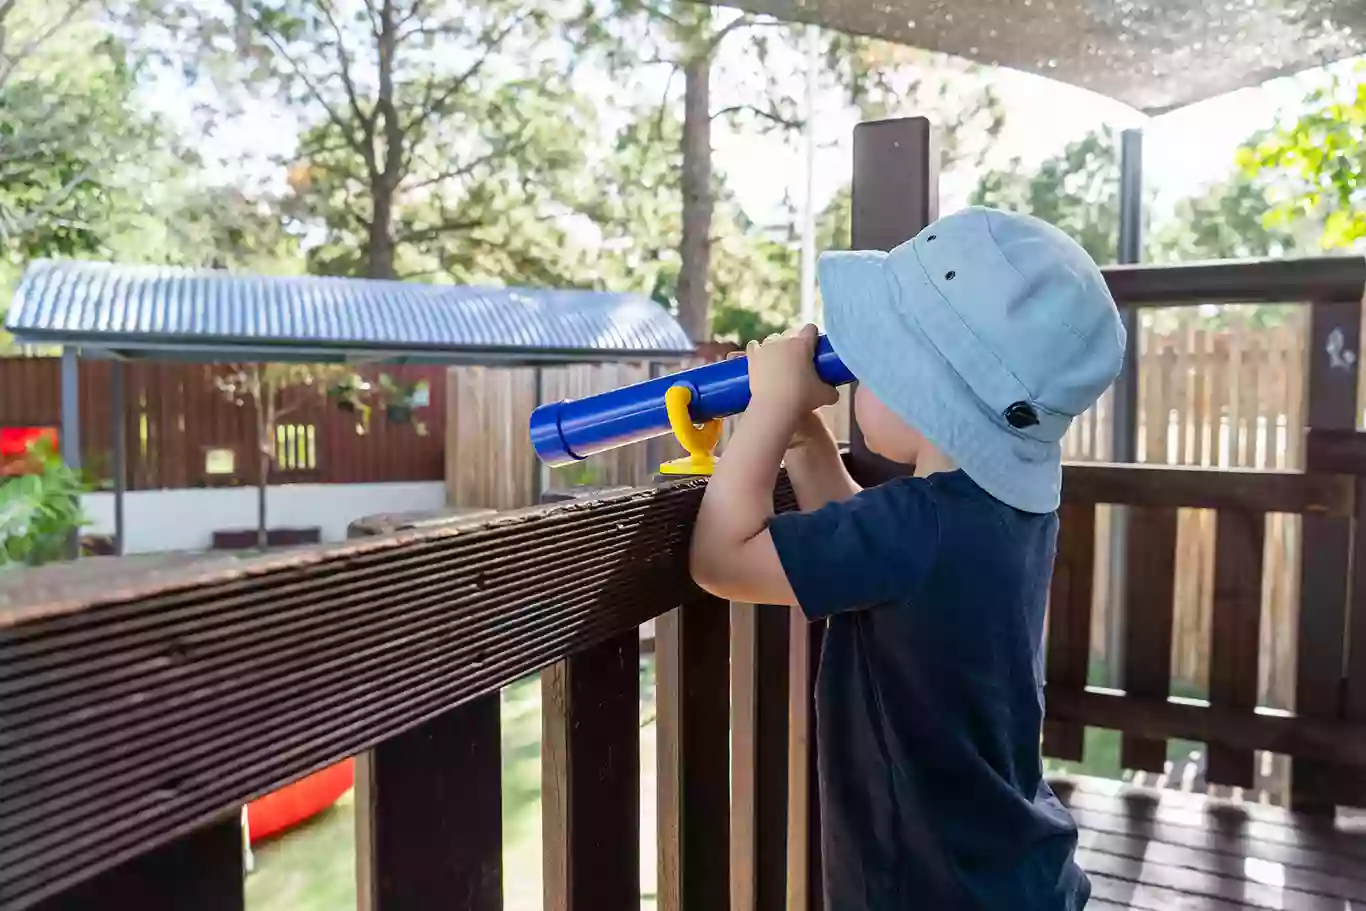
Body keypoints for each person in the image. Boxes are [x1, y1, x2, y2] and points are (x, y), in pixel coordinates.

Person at [689, 206, 1125, 910]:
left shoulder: (917, 526)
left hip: (927, 884)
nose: (858, 373)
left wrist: (769, 407)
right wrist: (807, 443)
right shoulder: (994, 512)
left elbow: (721, 556)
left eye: (875, 360)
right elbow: (881, 557)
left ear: (929, 391)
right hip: (1011, 868)